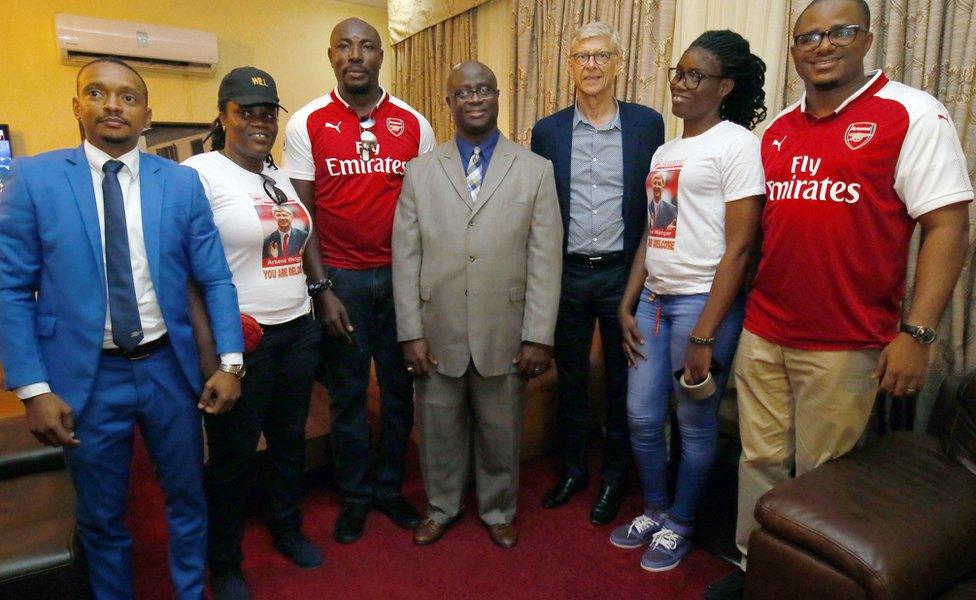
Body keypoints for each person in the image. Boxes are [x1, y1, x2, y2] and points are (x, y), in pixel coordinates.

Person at [708, 0, 973, 597]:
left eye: (839, 32)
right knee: (758, 461)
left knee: (825, 482)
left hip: (845, 341)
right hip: (765, 329)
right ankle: (759, 573)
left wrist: (919, 332)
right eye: (808, 37)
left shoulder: (911, 114)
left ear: (867, 39)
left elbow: (948, 226)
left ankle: (806, 586)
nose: (822, 46)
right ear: (794, 50)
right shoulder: (775, 130)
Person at [0, 57, 245, 599]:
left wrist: (231, 362)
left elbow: (217, 280)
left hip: (168, 371)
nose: (113, 104)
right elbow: (10, 289)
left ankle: (189, 592)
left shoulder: (181, 184)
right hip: (82, 381)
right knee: (102, 516)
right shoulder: (35, 180)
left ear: (147, 115)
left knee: (186, 498)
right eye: (97, 93)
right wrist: (32, 389)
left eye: (128, 97)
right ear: (77, 106)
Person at [611, 30, 766, 573]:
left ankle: (681, 522)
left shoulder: (737, 144)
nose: (680, 83)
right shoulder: (666, 150)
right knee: (642, 417)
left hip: (703, 305)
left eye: (695, 75)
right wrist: (628, 303)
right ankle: (654, 509)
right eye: (678, 72)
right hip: (653, 303)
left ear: (724, 86)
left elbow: (742, 245)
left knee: (696, 424)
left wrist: (704, 333)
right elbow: (657, 233)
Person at [392, 61, 562, 549]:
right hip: (436, 327)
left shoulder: (535, 169)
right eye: (463, 92)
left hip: (505, 329)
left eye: (483, 88)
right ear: (448, 103)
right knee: (439, 428)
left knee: (500, 429)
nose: (474, 98)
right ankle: (441, 506)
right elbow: (405, 257)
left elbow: (546, 260)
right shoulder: (420, 172)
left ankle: (499, 508)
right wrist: (411, 332)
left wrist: (538, 335)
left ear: (497, 95)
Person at [283, 17, 435, 544]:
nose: (355, 55)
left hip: (399, 281)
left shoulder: (415, 123)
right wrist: (322, 290)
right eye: (344, 46)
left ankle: (390, 489)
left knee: (398, 393)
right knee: (348, 396)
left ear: (380, 57)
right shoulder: (306, 122)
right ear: (331, 56)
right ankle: (355, 495)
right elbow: (302, 216)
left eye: (367, 46)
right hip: (340, 281)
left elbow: (426, 213)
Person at [182, 67, 323, 600]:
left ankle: (286, 528)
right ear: (223, 116)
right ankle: (226, 561)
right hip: (242, 339)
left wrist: (320, 290)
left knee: (289, 442)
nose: (260, 122)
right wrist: (213, 356)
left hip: (297, 330)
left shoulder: (279, 175)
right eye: (247, 111)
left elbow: (301, 239)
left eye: (268, 113)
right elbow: (185, 271)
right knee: (234, 454)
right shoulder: (200, 173)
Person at [531, 21, 665, 525]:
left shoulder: (647, 125)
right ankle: (572, 470)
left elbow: (659, 207)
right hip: (566, 274)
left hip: (622, 275)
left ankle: (613, 477)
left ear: (618, 64)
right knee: (569, 377)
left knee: (619, 379)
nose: (591, 66)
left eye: (601, 56)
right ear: (570, 66)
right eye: (582, 57)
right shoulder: (547, 131)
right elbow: (540, 209)